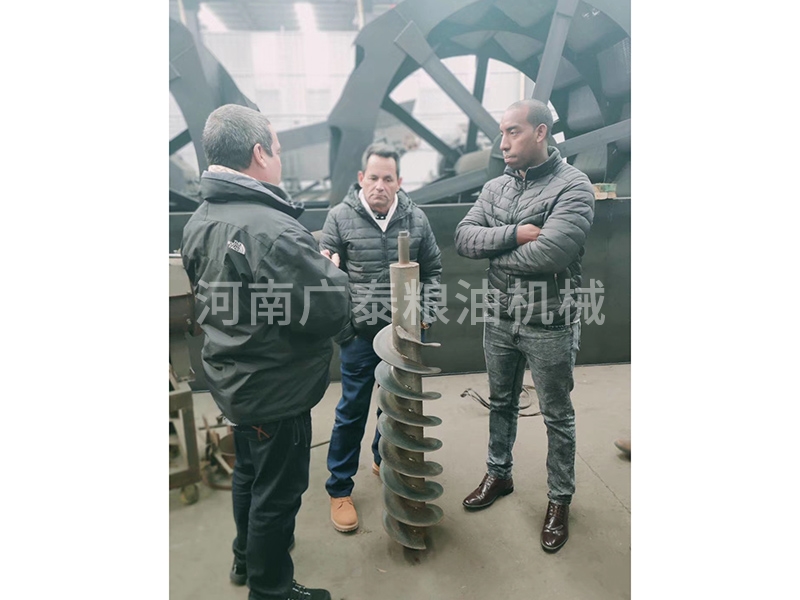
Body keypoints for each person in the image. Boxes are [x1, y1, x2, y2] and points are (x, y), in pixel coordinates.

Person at [181, 104, 350, 600]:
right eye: (276, 148)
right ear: (259, 153)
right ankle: (270, 589)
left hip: (233, 380)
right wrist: (329, 270)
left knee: (250, 473)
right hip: (276, 388)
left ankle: (245, 557)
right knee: (277, 495)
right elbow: (328, 311)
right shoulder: (273, 231)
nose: (278, 157)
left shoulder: (200, 219)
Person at [454, 99, 595, 553]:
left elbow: (552, 253)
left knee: (557, 415)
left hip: (549, 322)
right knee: (501, 402)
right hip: (499, 318)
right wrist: (515, 234)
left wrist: (494, 253)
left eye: (512, 131)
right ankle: (499, 474)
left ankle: (559, 500)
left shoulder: (574, 186)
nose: (503, 143)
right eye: (501, 133)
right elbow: (463, 238)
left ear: (540, 132)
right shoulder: (495, 187)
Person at [319, 143, 442, 533]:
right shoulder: (339, 218)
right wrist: (346, 330)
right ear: (361, 178)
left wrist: (426, 316)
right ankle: (339, 489)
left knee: (395, 407)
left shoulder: (416, 219)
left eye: (388, 179)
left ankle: (381, 456)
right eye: (373, 178)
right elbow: (325, 279)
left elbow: (433, 271)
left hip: (403, 336)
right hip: (359, 335)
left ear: (399, 182)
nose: (380, 186)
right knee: (351, 412)